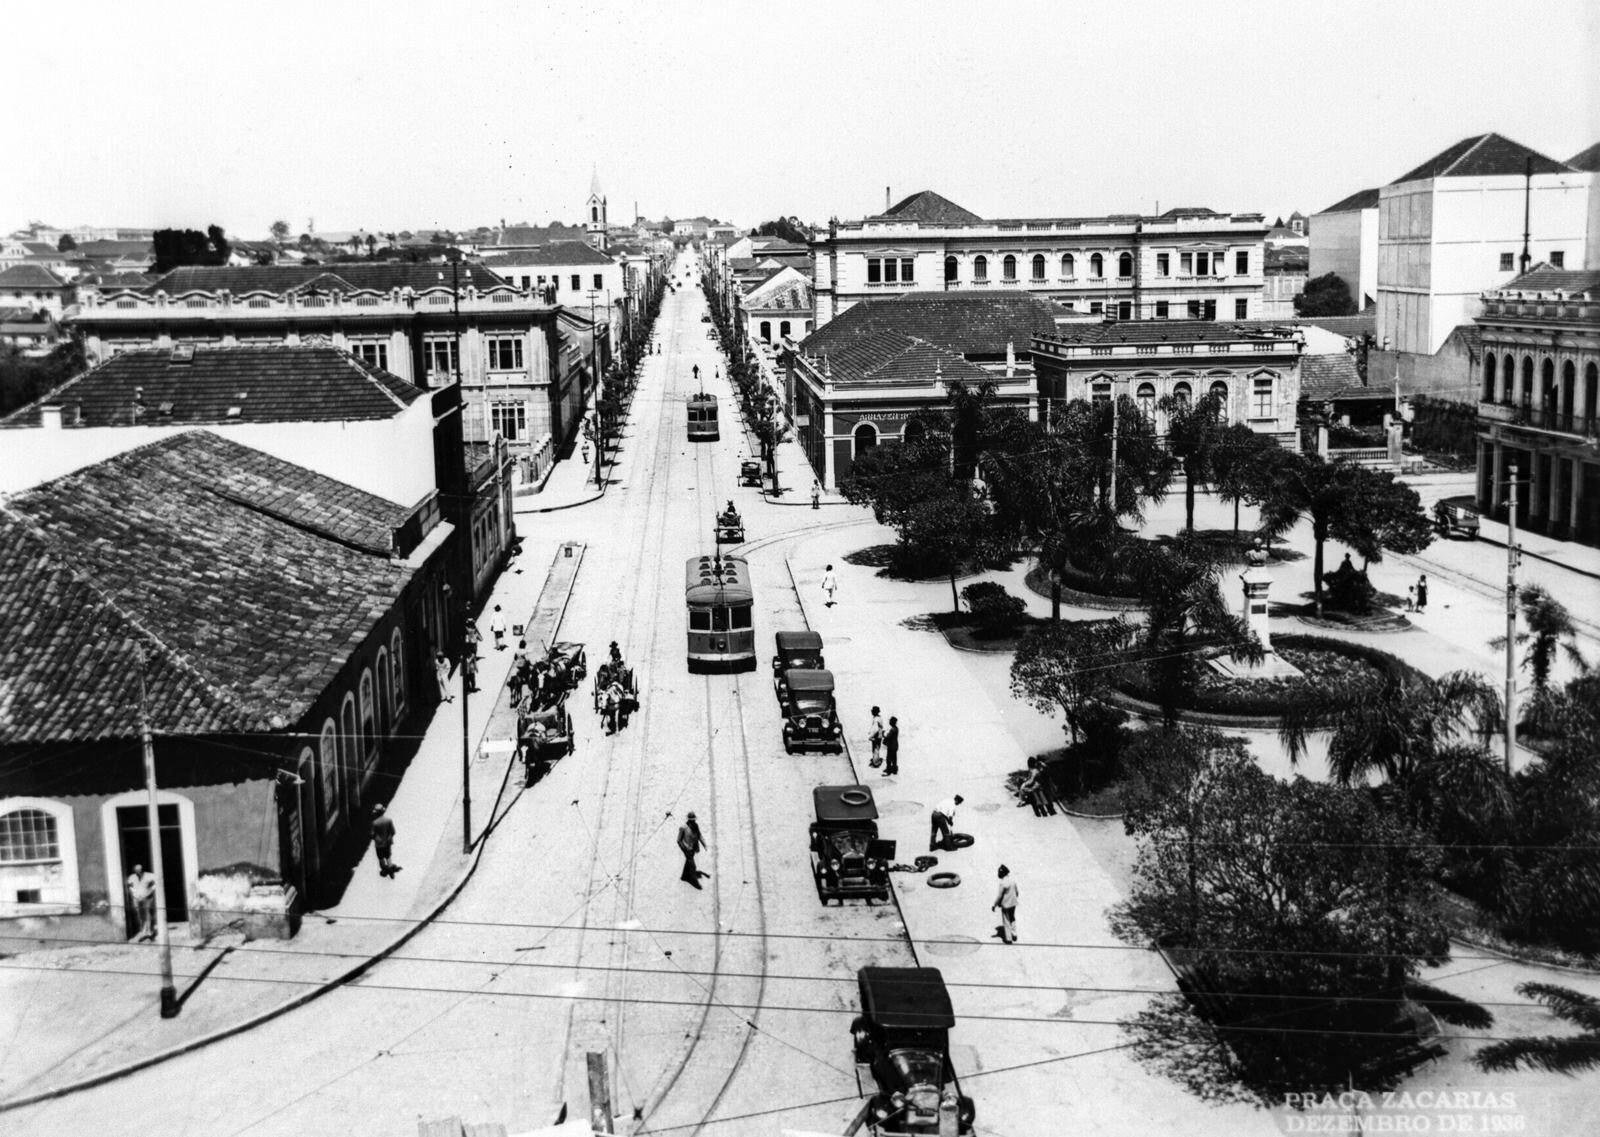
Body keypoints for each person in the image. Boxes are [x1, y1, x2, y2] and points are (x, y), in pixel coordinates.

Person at [126, 863, 157, 941]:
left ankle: (149, 931)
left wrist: (150, 890)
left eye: (139, 870)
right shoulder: (132, 877)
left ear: (142, 869)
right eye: (136, 870)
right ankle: (143, 930)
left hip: (147, 897)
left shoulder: (150, 875)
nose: (138, 872)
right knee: (140, 914)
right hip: (137, 898)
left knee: (147, 912)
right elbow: (130, 886)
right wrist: (134, 893)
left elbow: (157, 883)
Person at [678, 811, 708, 888]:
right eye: (691, 820)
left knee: (688, 862)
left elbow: (699, 835)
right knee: (693, 866)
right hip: (687, 849)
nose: (693, 821)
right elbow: (679, 840)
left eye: (693, 819)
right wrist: (684, 849)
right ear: (688, 820)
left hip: (693, 848)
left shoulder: (696, 826)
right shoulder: (683, 827)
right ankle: (695, 883)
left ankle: (684, 876)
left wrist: (704, 844)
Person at [992, 865, 1019, 944]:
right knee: (1012, 918)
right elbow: (1017, 892)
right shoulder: (1013, 880)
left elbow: (999, 896)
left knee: (1006, 921)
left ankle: (1008, 938)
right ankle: (1014, 934)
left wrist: (994, 905)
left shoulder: (1003, 883)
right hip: (1013, 903)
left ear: (1002, 874)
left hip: (1006, 905)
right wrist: (1014, 898)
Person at [371, 804, 398, 878]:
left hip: (379, 845)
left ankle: (384, 870)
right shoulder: (389, 820)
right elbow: (393, 832)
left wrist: (376, 839)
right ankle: (391, 873)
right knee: (388, 856)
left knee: (381, 858)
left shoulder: (375, 823)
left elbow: (372, 835)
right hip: (387, 843)